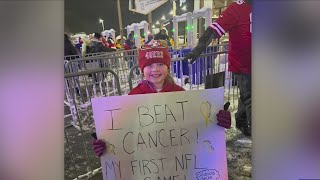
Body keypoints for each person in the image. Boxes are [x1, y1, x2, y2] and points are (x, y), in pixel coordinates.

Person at [92, 40, 232, 156]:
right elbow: (124, 130)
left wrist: (216, 120)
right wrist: (107, 144)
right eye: (149, 65)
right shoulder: (133, 97)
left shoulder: (180, 94)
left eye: (160, 64)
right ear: (142, 69)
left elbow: (196, 124)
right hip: (147, 162)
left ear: (167, 66)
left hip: (177, 160)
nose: (155, 69)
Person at [183, 0, 252, 136]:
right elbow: (214, 29)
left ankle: (241, 120)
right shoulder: (236, 8)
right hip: (243, 65)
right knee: (252, 97)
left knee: (249, 95)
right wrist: (198, 49)